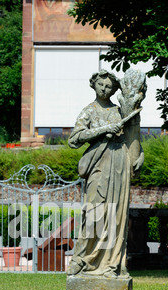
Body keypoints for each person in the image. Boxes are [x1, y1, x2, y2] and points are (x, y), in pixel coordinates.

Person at [67, 69, 144, 278]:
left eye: (109, 86)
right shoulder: (89, 111)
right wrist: (103, 130)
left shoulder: (120, 111)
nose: (104, 88)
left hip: (119, 162)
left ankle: (112, 264)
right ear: (93, 85)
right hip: (99, 164)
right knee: (94, 213)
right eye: (101, 84)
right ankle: (82, 259)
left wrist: (140, 154)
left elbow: (131, 137)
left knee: (116, 217)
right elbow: (74, 140)